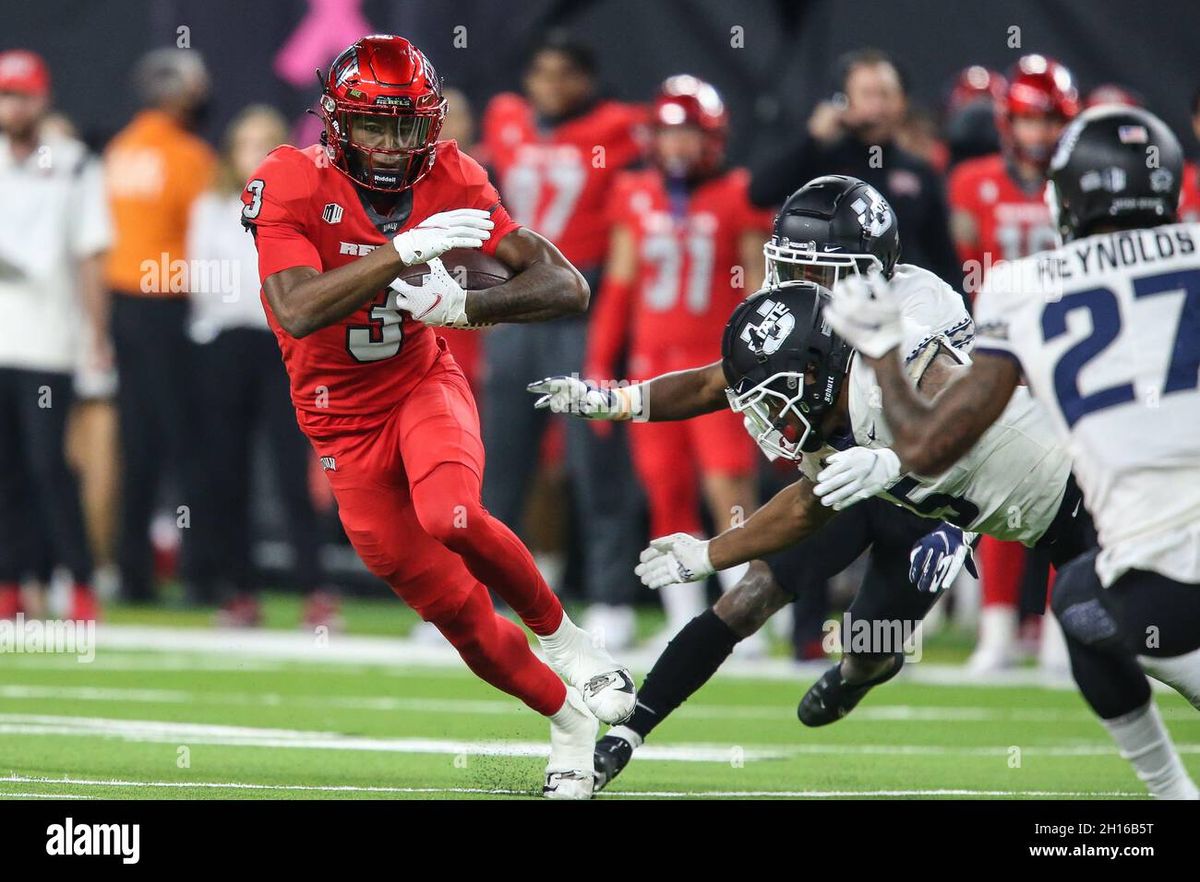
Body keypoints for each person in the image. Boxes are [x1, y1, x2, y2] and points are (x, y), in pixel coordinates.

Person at [240, 34, 635, 799]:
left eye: (407, 126)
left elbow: (566, 285)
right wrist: (397, 253)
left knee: (452, 514)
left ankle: (570, 643)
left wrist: (466, 305)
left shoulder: (451, 173)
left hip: (421, 386)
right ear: (335, 124)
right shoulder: (286, 180)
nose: (392, 146)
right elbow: (293, 309)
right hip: (339, 428)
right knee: (461, 620)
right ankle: (568, 724)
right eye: (374, 126)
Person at [531, 177, 984, 789]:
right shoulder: (799, 311)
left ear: (869, 272)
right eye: (790, 266)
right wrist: (613, 400)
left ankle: (858, 674)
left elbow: (943, 432)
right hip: (844, 474)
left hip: (926, 491)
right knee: (750, 593)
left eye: (817, 272)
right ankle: (625, 734)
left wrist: (709, 552)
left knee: (868, 647)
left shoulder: (919, 310)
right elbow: (714, 383)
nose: (799, 287)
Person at [824, 105, 1200, 799]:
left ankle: (1173, 793)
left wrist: (880, 353)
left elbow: (934, 444)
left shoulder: (1025, 287)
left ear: (1067, 197)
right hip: (1152, 547)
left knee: (1083, 601)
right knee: (1087, 593)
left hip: (1162, 561)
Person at [583, 75, 771, 644]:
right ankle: (684, 618)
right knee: (664, 488)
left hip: (717, 367)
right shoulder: (633, 191)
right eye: (671, 135)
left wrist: (761, 362)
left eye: (690, 134)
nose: (680, 147)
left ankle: (746, 612)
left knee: (728, 487)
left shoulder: (737, 192)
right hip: (649, 364)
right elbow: (618, 288)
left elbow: (757, 287)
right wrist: (597, 367)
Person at [480, 34, 646, 627]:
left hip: (581, 310)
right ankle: (486, 600)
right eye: (541, 72)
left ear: (587, 80)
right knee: (497, 461)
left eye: (564, 73)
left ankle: (609, 597)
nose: (550, 85)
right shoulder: (506, 118)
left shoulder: (620, 126)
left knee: (594, 460)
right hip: (514, 305)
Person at [948, 54, 1080, 673]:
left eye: (1051, 120)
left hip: (1072, 350)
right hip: (1000, 351)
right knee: (1001, 487)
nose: (1040, 135)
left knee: (1075, 492)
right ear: (1008, 122)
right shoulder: (973, 181)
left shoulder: (1084, 177)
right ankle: (997, 626)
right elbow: (966, 266)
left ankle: (1063, 626)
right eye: (1030, 120)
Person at [187, 104, 337, 629]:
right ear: (232, 152)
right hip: (227, 346)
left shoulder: (303, 204)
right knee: (227, 472)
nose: (254, 154)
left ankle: (315, 589)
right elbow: (202, 282)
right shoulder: (210, 204)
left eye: (266, 143)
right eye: (246, 143)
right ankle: (240, 590)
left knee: (294, 469)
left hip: (286, 343)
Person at [104, 47, 217, 603]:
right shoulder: (189, 156)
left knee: (137, 443)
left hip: (123, 304)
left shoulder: (120, 150)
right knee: (189, 444)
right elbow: (206, 235)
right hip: (169, 305)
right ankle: (198, 573)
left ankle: (132, 574)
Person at [0, 49, 108, 621]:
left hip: (48, 341)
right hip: (2, 338)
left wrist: (97, 335)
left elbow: (90, 254)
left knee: (49, 466)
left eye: (20, 94)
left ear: (42, 98)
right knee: (7, 471)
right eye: (5, 94)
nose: (12, 106)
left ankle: (80, 582)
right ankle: (11, 585)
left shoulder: (72, 164)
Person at [750, 48, 960, 286]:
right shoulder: (821, 161)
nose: (878, 106)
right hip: (829, 298)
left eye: (886, 94)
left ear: (902, 102)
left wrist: (960, 309)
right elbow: (759, 194)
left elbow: (943, 255)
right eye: (868, 94)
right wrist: (811, 140)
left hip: (899, 304)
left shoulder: (919, 172)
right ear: (844, 100)